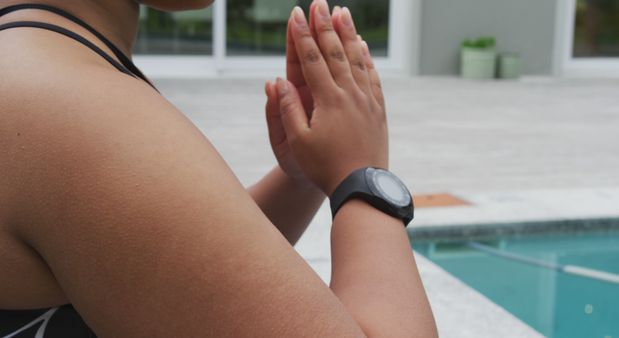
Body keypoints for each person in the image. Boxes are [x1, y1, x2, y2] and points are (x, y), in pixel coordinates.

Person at [0, 0, 438, 336]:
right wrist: (361, 176)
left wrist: (301, 177)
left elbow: (168, 274)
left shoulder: (35, 61)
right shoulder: (79, 109)